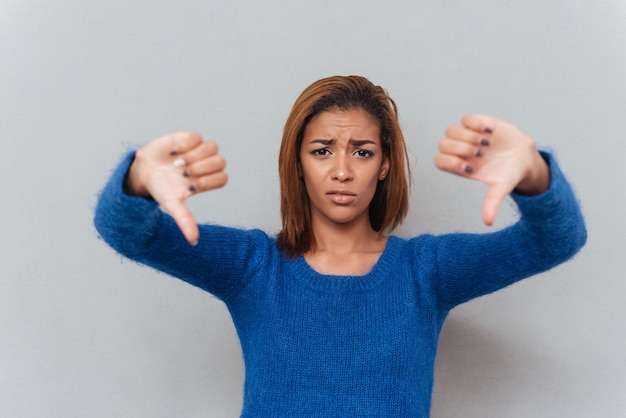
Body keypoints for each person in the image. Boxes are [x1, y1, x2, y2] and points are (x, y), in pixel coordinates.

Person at [94, 75, 586, 417]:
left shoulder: (425, 271)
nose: (343, 170)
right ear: (298, 161)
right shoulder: (253, 267)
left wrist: (535, 177)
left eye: (363, 151)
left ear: (385, 165)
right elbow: (129, 233)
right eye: (323, 150)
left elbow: (554, 242)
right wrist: (138, 180)